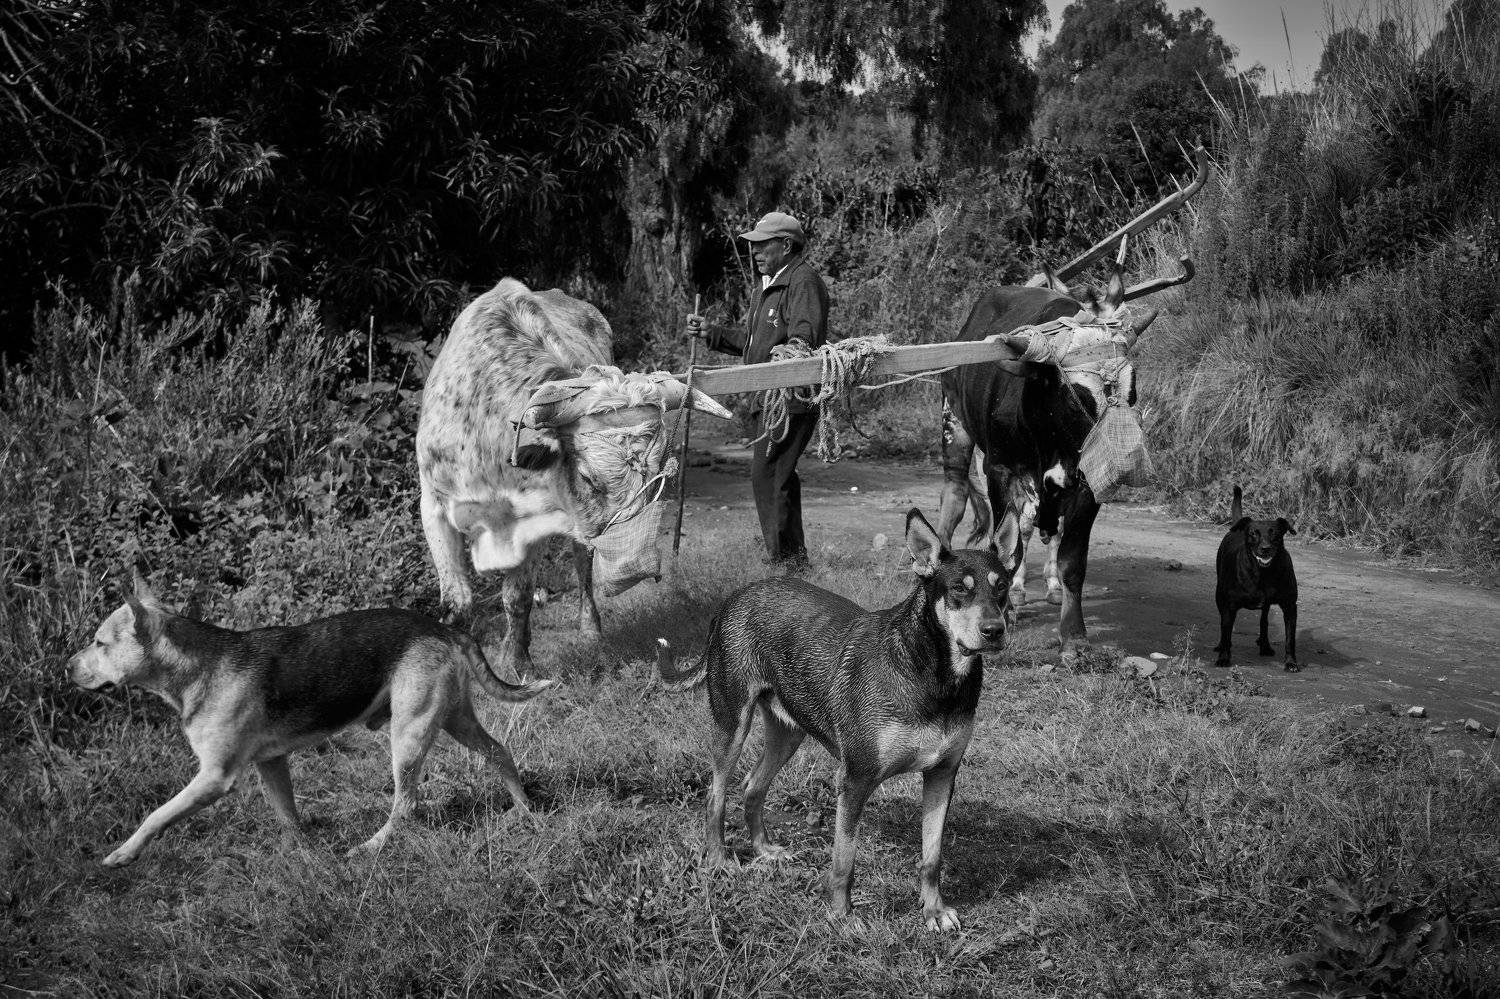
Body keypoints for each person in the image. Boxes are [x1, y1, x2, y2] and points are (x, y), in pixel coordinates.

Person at [686, 211, 830, 571]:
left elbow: (803, 339)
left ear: (786, 245)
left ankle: (783, 564)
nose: (755, 252)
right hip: (765, 397)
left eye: (763, 245)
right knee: (780, 476)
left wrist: (791, 351)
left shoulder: (802, 281)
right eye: (753, 245)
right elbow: (754, 344)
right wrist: (712, 333)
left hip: (790, 397)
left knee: (767, 474)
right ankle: (795, 561)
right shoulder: (767, 286)